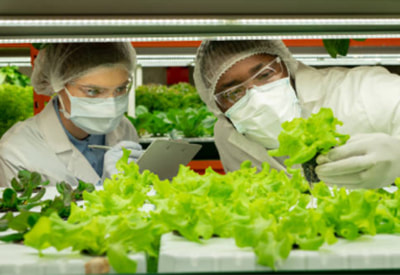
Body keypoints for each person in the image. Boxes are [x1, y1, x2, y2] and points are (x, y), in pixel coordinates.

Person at [194, 40, 400, 189]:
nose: (257, 96)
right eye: (234, 92)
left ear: (286, 67)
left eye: (265, 75)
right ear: (218, 108)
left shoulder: (357, 89)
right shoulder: (227, 135)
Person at [0, 42, 143, 187]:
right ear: (58, 84)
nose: (111, 106)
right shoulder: (16, 150)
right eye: (92, 91)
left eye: (120, 89)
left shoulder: (124, 128)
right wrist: (105, 188)